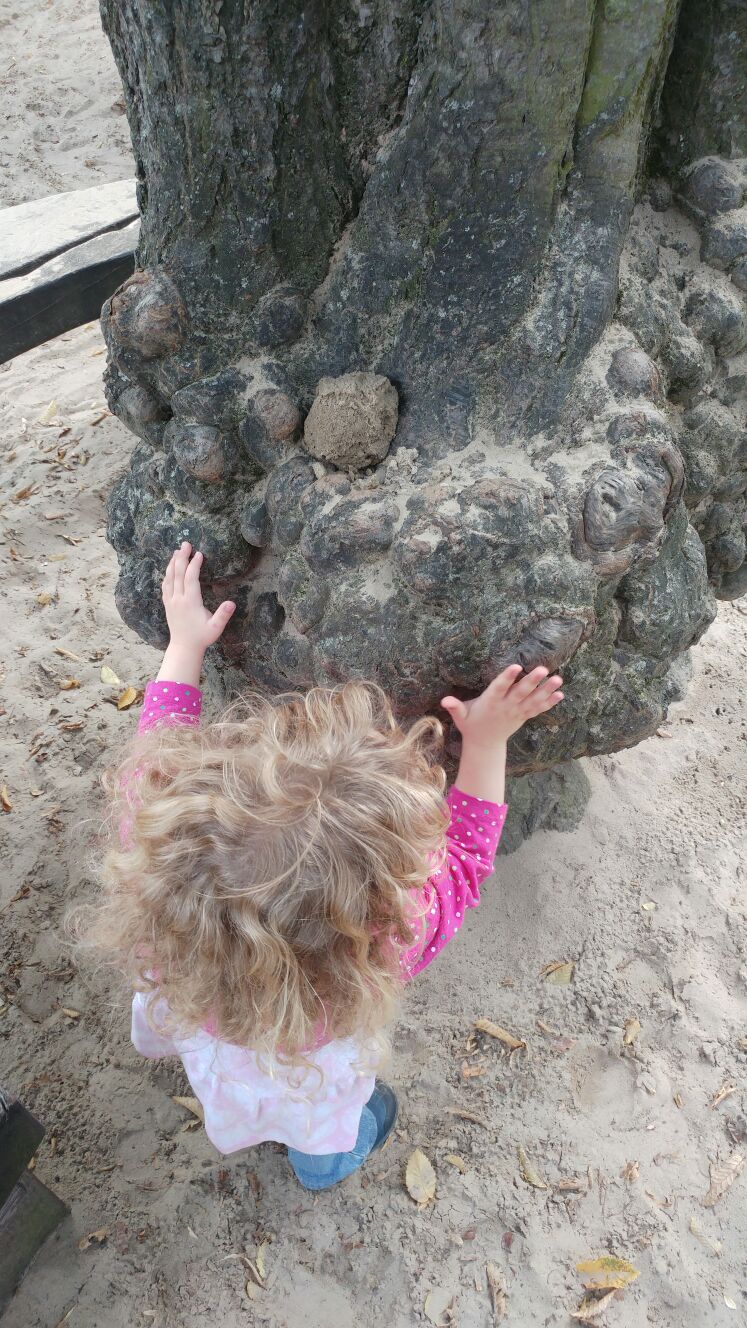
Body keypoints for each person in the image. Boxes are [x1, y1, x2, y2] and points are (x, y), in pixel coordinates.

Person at [87, 542, 564, 1190]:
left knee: (223, 1075)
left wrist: (185, 646)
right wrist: (486, 740)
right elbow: (466, 861)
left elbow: (155, 754)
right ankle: (321, 1168)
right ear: (375, 902)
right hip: (304, 1079)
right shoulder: (385, 944)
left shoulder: (158, 871)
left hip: (200, 1016)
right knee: (320, 1130)